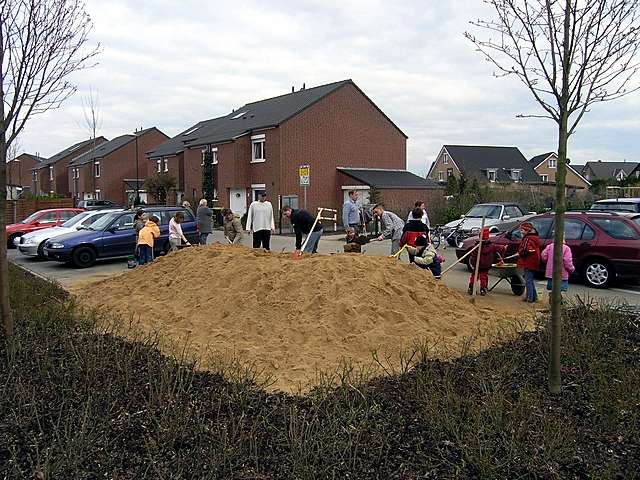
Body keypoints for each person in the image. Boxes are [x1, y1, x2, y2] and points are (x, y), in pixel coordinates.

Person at [467, 228, 506, 296]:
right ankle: (483, 289)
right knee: (483, 277)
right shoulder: (491, 246)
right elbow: (499, 248)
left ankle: (471, 288)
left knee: (474, 276)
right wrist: (504, 247)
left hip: (477, 264)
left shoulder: (476, 246)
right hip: (486, 265)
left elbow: (473, 254)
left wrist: (473, 261)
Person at [541, 234, 575, 302]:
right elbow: (567, 261)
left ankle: (552, 295)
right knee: (562, 288)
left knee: (552, 286)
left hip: (551, 272)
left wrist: (547, 261)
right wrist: (571, 269)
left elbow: (544, 256)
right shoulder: (566, 248)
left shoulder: (549, 247)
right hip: (562, 273)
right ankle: (559, 298)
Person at [517, 222, 541, 303]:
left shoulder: (528, 239)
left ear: (527, 230)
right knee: (530, 280)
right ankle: (534, 296)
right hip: (533, 261)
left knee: (528, 280)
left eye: (522, 230)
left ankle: (530, 298)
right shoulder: (534, 238)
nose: (521, 232)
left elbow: (526, 249)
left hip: (529, 262)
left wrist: (520, 252)